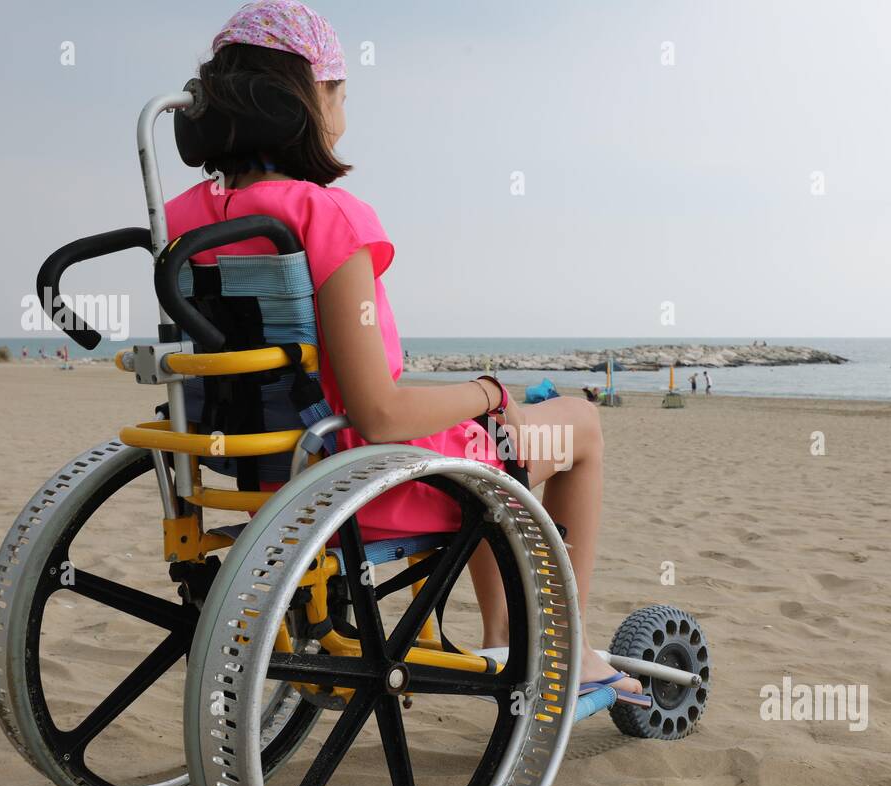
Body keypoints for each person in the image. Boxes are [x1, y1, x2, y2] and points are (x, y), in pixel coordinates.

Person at [164, 2, 641, 701]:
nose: (345, 113)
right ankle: (561, 642)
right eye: (341, 93)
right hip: (357, 483)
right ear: (306, 98)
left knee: (481, 439)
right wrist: (488, 391)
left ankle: (508, 629)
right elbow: (381, 413)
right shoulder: (325, 217)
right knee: (576, 427)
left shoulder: (180, 218)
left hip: (257, 473)